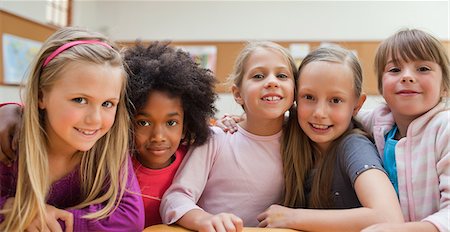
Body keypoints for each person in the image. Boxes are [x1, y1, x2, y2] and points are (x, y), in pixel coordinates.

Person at [0, 27, 144, 231]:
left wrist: (43, 218)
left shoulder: (109, 148)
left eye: (107, 104)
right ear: (42, 97)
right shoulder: (10, 142)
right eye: (80, 100)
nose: (95, 119)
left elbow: (130, 219)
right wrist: (8, 208)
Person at [254, 46, 404, 231]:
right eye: (309, 97)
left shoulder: (354, 146)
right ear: (295, 98)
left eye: (335, 100)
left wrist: (293, 217)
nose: (319, 113)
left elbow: (389, 217)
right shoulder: (292, 135)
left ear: (357, 105)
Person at [160, 41, 298, 231]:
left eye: (282, 75)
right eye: (258, 76)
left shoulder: (302, 140)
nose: (272, 81)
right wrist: (205, 220)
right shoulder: (216, 138)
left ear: (295, 91)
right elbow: (175, 199)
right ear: (237, 93)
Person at [360, 29, 449, 232]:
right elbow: (339, 115)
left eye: (423, 68)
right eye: (394, 70)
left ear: (444, 86)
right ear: (381, 86)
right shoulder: (378, 121)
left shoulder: (445, 128)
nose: (407, 76)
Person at [124, 42, 217, 227]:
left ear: (187, 123)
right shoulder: (117, 166)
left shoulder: (195, 160)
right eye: (143, 122)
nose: (158, 136)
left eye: (171, 123)